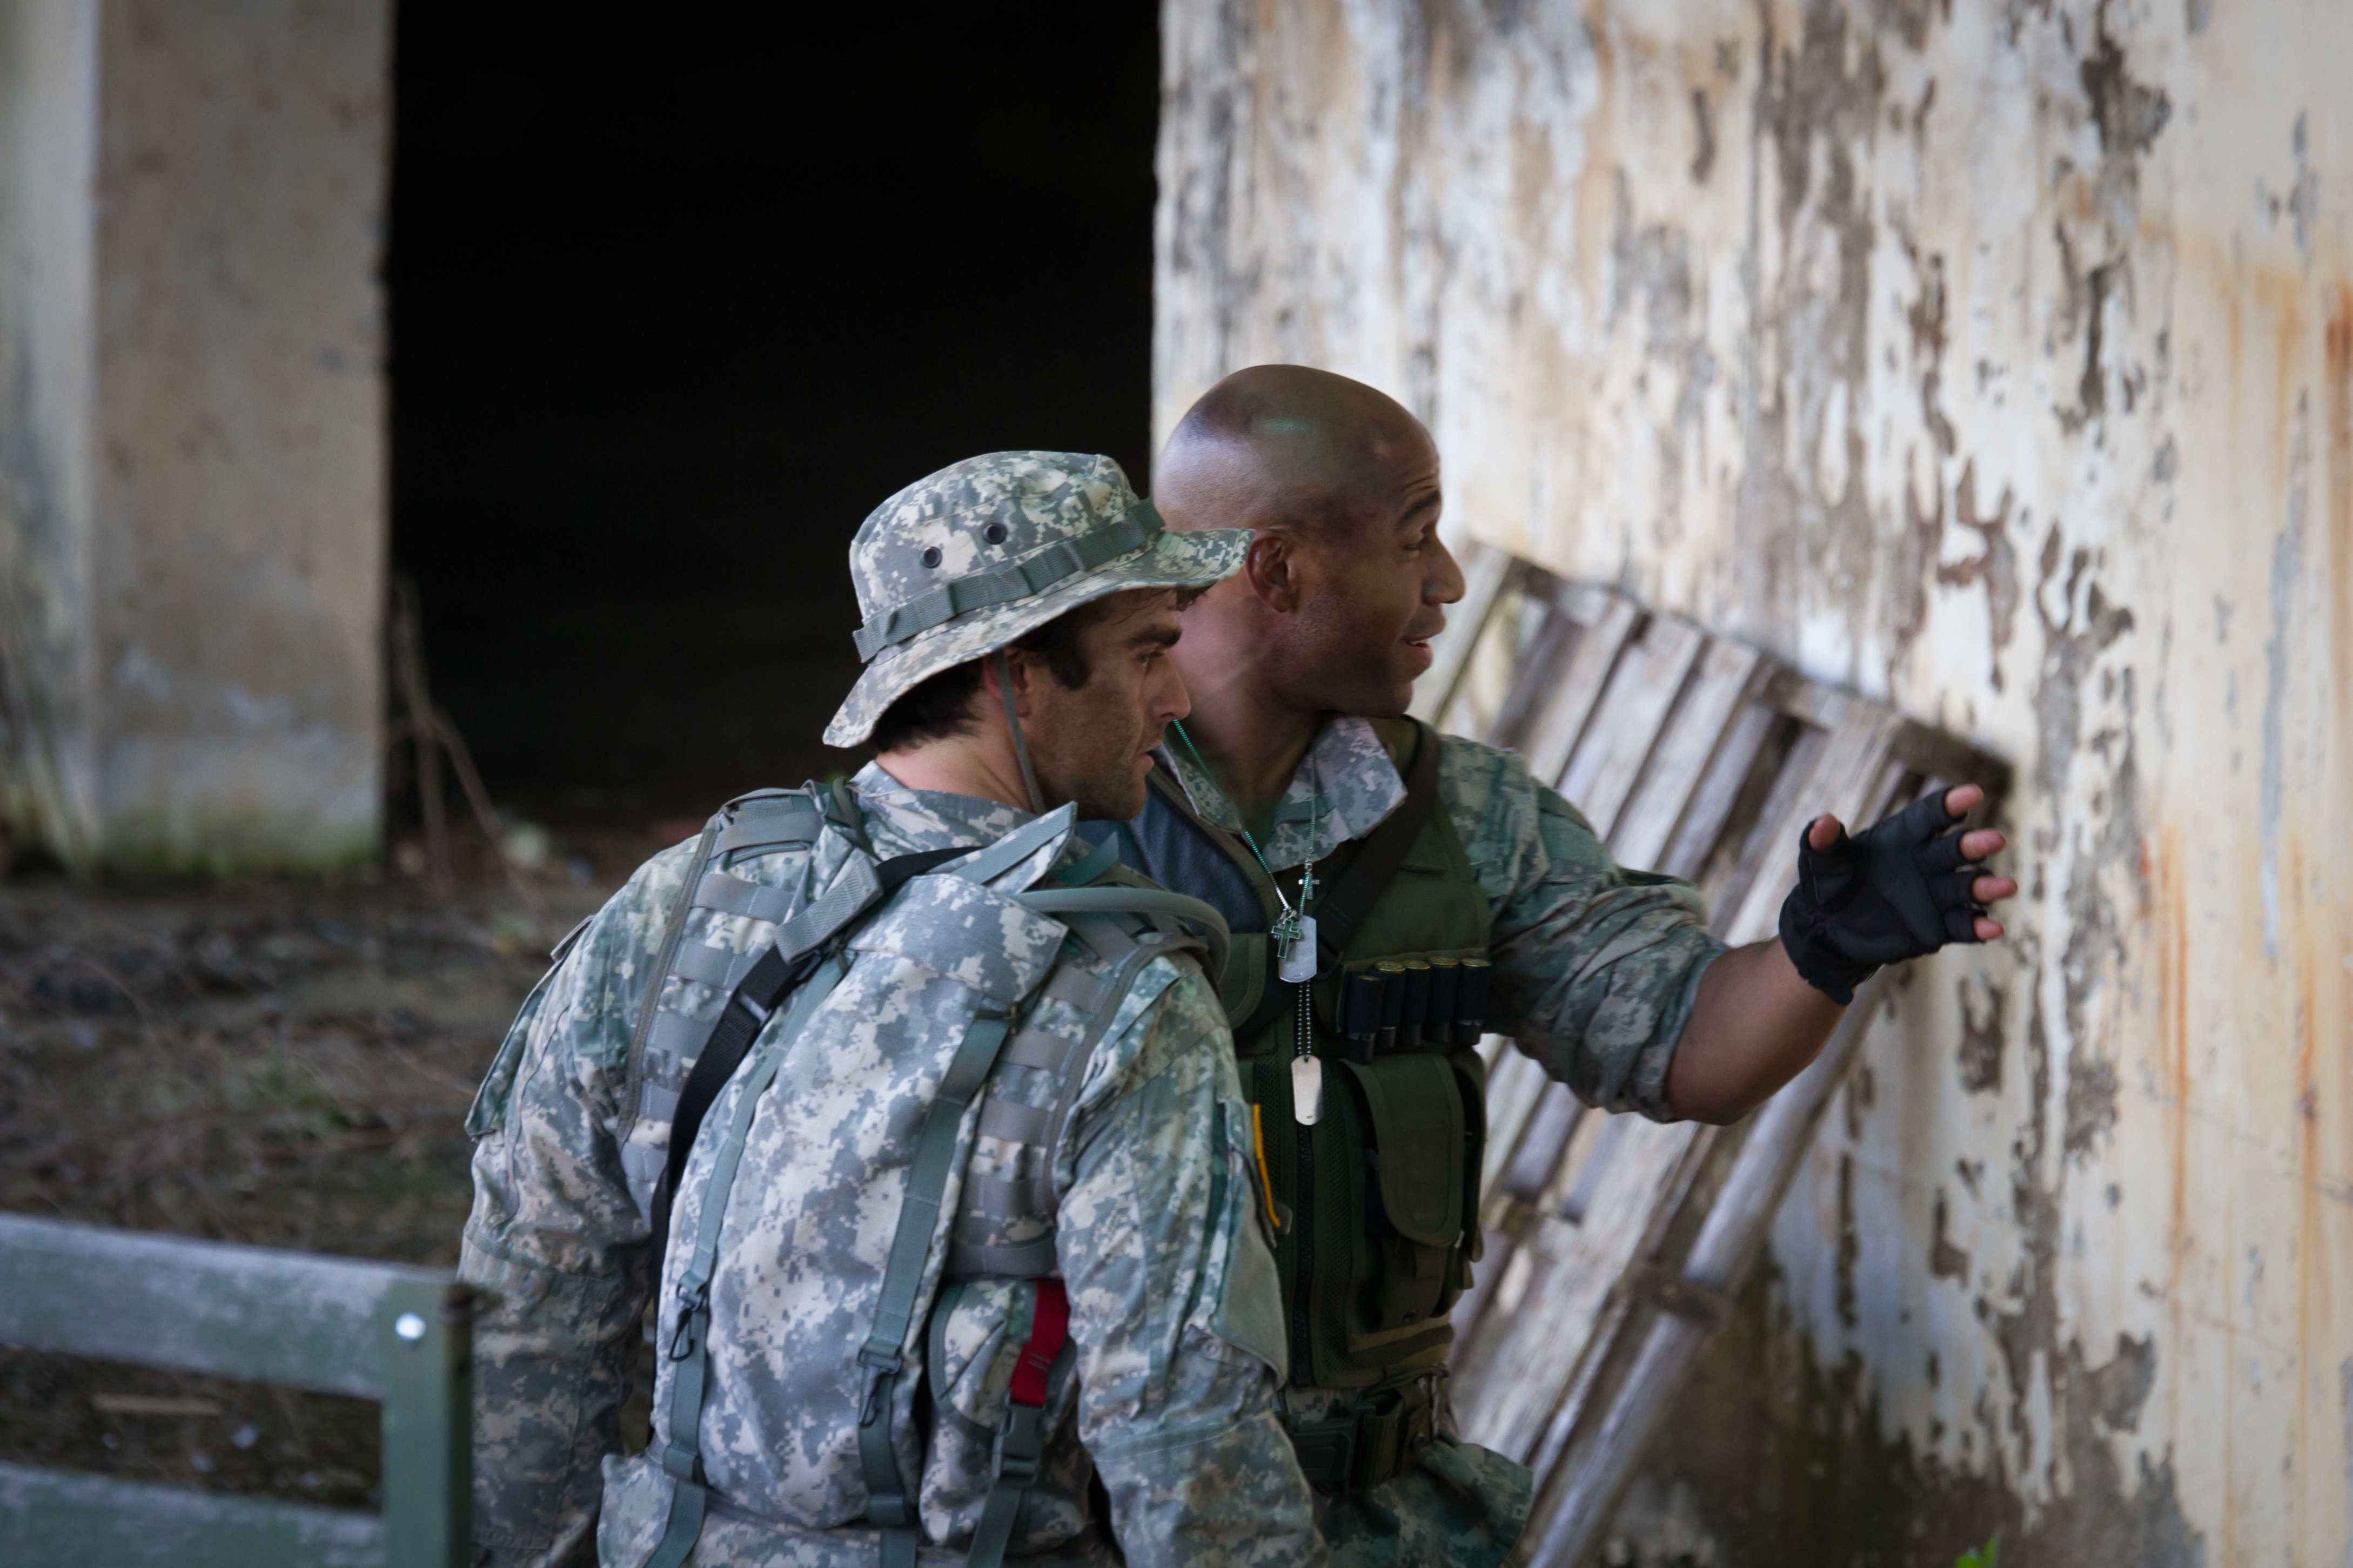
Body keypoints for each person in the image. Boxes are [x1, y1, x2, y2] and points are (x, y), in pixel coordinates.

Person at [1070, 364, 2020, 1562]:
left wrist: (1820, 954)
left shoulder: (1463, 814)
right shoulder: (1058, 809)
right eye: (1415, 539)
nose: (1449, 582)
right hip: (1099, 1526)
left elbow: (1679, 1046)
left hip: (1381, 1519)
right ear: (1276, 569)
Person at [459, 452, 1327, 1567]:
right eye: (1148, 654)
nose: (1178, 697)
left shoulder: (680, 904)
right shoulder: (1127, 999)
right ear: (1019, 673)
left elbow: (532, 1315)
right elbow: (1191, 1454)